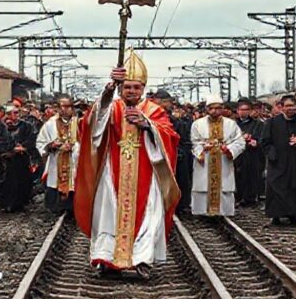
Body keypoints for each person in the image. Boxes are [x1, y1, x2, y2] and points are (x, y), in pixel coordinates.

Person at [74, 49, 180, 279]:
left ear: (143, 88)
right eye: (127, 87)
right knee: (108, 215)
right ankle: (107, 259)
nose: (131, 91)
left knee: (148, 216)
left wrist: (148, 125)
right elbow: (92, 123)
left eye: (136, 87)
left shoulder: (154, 110)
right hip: (113, 172)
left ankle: (142, 259)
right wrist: (108, 90)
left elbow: (170, 136)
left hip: (145, 172)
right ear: (122, 88)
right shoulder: (113, 107)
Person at [261, 95, 296, 225]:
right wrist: (272, 155)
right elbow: (265, 142)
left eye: (292, 106)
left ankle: (294, 215)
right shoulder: (272, 122)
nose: (290, 108)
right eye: (287, 106)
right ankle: (276, 216)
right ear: (282, 107)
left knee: (295, 187)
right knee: (276, 188)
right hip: (278, 161)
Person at [190, 95, 245, 216]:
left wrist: (229, 149)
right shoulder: (197, 124)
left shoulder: (231, 124)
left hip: (223, 159)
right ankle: (202, 212)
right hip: (206, 159)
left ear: (223, 108)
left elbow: (240, 142)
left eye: (218, 108)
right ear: (207, 109)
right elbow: (194, 143)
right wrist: (202, 149)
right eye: (212, 108)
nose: (215, 111)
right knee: (203, 185)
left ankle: (223, 211)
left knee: (224, 186)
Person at [151, 89, 193, 215]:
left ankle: (181, 205)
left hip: (177, 153)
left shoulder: (174, 120)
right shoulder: (153, 117)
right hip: (159, 153)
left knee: (181, 180)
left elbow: (183, 137)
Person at [37, 96, 79, 213]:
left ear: (72, 108)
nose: (63, 110)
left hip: (74, 161)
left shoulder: (79, 123)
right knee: (55, 184)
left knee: (74, 183)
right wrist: (51, 145)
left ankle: (73, 209)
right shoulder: (50, 124)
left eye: (66, 106)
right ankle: (55, 208)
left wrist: (74, 147)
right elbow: (41, 142)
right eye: (60, 107)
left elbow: (87, 142)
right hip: (56, 161)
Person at [0, 104, 37, 212]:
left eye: (17, 112)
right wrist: (10, 149)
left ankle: (21, 203)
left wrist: (23, 147)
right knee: (8, 182)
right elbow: (0, 140)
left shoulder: (26, 126)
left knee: (22, 181)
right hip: (7, 159)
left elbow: (32, 139)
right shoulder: (2, 127)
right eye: (14, 113)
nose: (16, 115)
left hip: (22, 159)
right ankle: (7, 203)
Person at [233, 97, 265, 207]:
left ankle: (250, 198)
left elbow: (262, 139)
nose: (243, 112)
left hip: (252, 154)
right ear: (237, 111)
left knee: (252, 176)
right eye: (241, 109)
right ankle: (238, 197)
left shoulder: (258, 124)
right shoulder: (233, 124)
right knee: (238, 176)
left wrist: (256, 142)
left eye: (246, 109)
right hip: (237, 155)